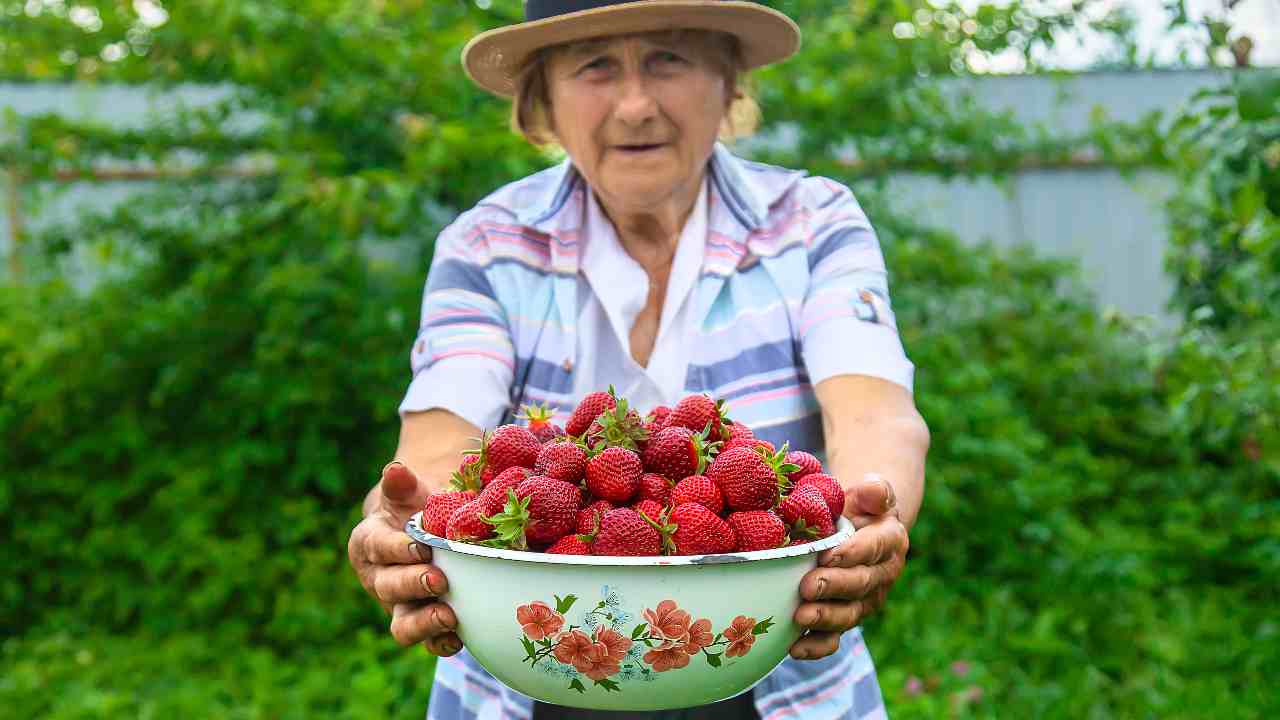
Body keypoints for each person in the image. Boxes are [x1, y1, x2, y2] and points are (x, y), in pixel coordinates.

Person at [346, 1, 929, 718]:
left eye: (668, 58)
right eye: (594, 66)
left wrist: (870, 515)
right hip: (521, 679)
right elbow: (436, 453)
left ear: (728, 82)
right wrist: (400, 523)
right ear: (544, 103)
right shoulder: (487, 245)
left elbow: (875, 414)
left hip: (784, 672)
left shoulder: (814, 223)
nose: (635, 105)